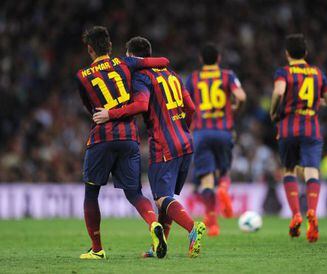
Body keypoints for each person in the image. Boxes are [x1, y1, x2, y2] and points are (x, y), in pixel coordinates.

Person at [93, 36, 206, 258]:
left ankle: (193, 228)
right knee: (167, 198)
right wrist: (182, 128)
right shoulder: (171, 74)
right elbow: (190, 107)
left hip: (164, 144)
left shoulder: (141, 77)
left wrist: (111, 114)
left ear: (131, 55)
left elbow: (142, 104)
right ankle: (158, 247)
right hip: (185, 141)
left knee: (161, 198)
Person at [75, 26, 170, 259]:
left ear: (89, 50)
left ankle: (97, 249)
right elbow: (164, 61)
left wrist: (105, 113)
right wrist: (140, 61)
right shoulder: (126, 63)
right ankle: (153, 224)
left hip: (102, 138)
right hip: (129, 137)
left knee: (91, 193)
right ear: (109, 46)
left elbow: (91, 109)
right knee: (134, 193)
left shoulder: (82, 76)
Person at [269, 34, 327, 243]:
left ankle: (296, 213)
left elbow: (279, 92)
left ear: (287, 53)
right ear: (305, 53)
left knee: (288, 170)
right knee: (311, 171)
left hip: (288, 127)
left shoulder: (284, 72)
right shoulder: (317, 73)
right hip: (311, 128)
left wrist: (273, 111)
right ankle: (312, 212)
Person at [185, 43, 246, 236]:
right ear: (218, 59)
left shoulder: (193, 78)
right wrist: (235, 111)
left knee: (206, 179)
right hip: (223, 130)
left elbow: (186, 104)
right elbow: (241, 96)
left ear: (201, 60)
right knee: (224, 170)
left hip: (202, 133)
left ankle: (212, 223)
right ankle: (224, 188)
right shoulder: (227, 76)